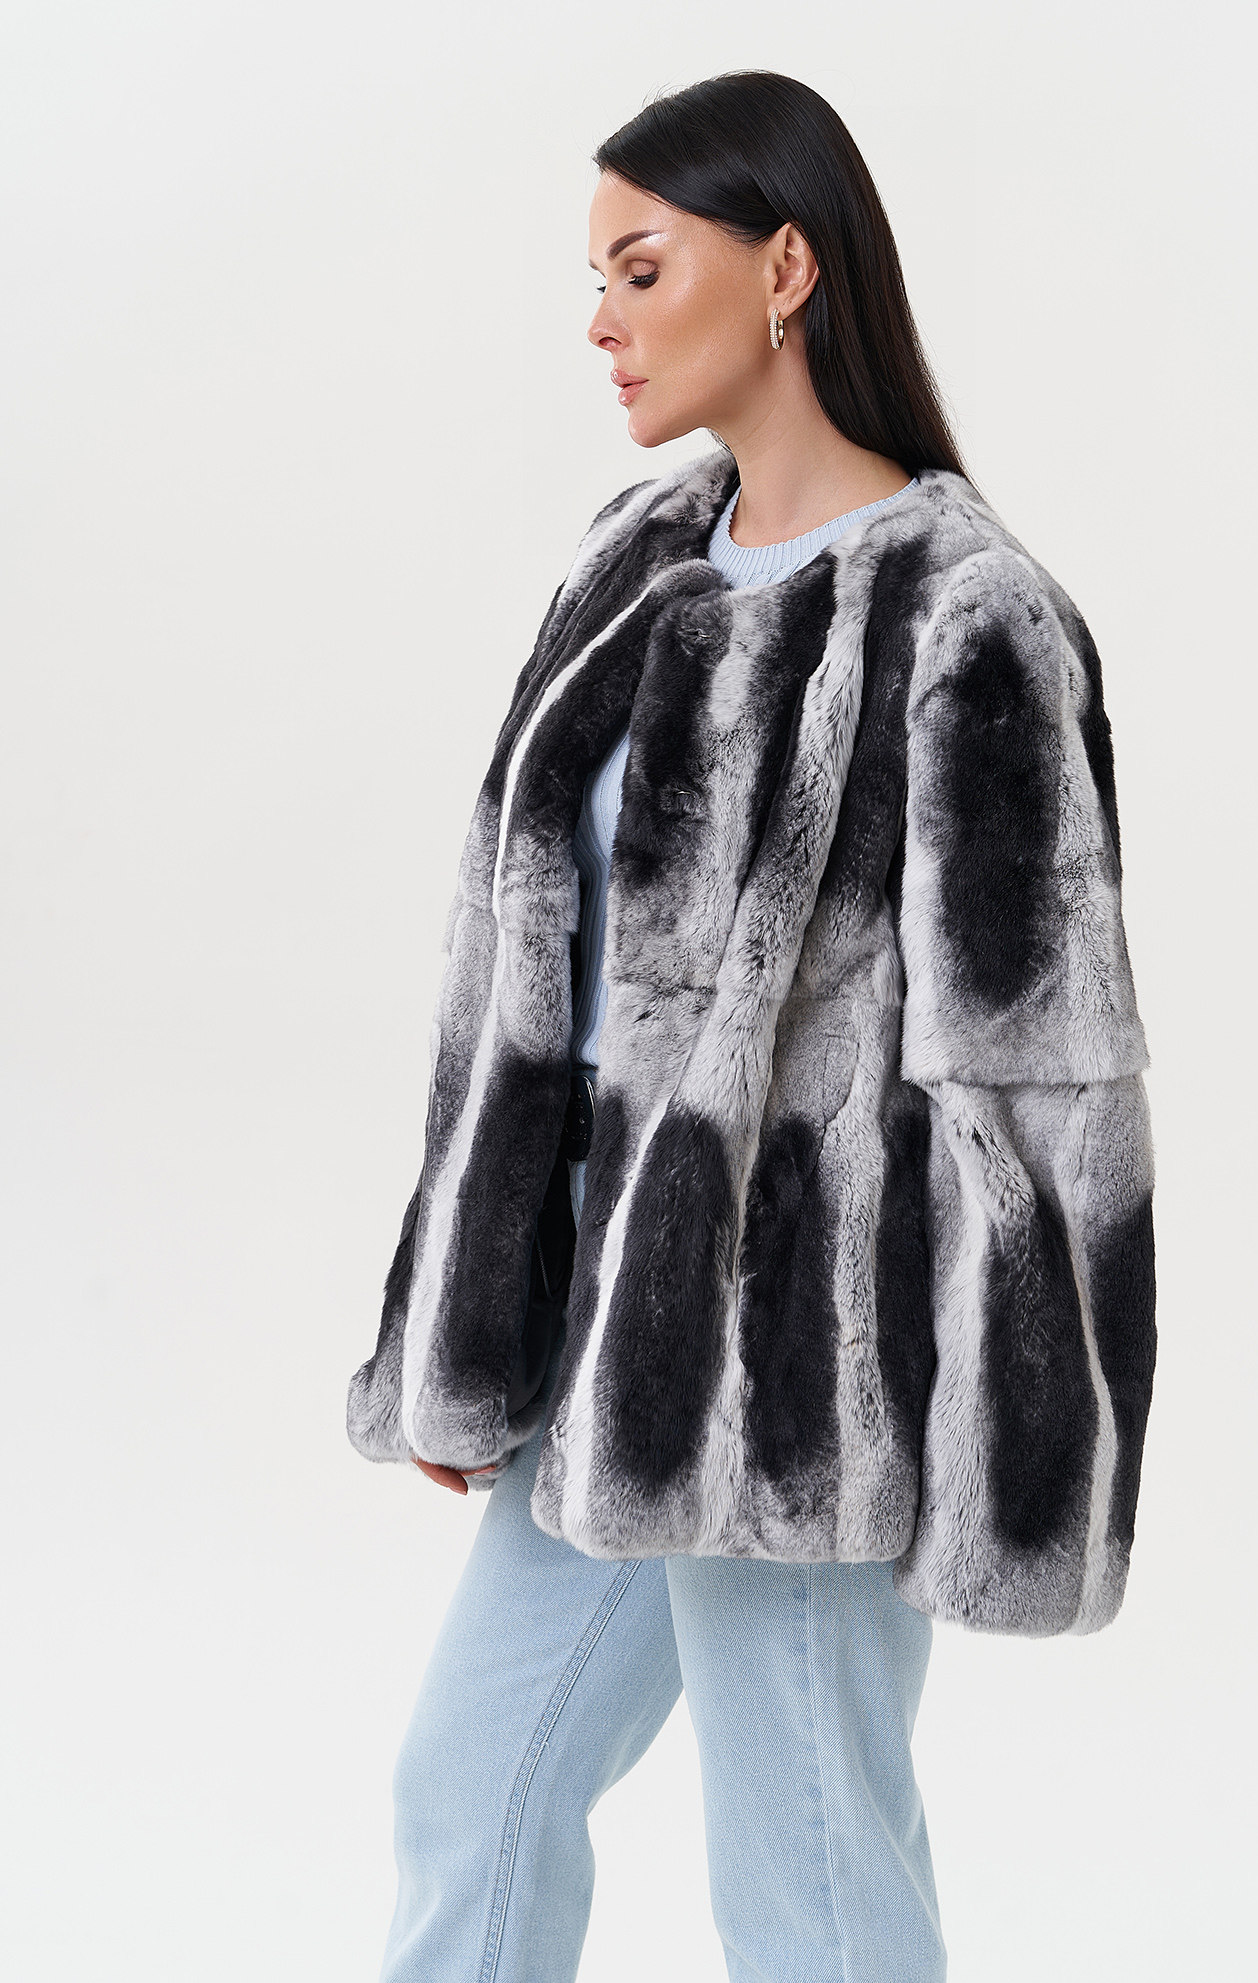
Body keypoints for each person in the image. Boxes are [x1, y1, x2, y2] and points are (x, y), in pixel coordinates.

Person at [346, 70, 1157, 1983]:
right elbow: (512, 993)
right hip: (598, 1334)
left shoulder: (968, 616)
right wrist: (473, 1316)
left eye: (642, 269)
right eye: (595, 278)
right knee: (471, 1788)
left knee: (804, 1873)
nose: (601, 320)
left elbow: (1039, 1082)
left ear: (787, 268)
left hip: (812, 1373)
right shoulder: (629, 564)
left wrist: (1013, 1451)